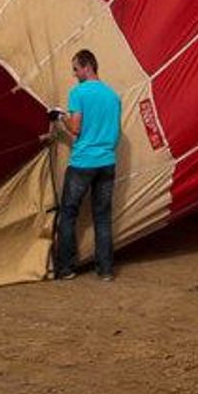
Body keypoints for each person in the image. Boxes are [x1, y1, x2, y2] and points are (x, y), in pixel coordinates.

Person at [50, 50, 122, 281]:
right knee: (102, 217)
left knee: (69, 213)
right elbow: (116, 132)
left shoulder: (78, 92)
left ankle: (66, 268)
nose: (74, 74)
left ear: (87, 66)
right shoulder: (113, 96)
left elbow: (76, 128)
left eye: (75, 69)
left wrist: (60, 116)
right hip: (107, 162)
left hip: (83, 162)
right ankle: (106, 270)